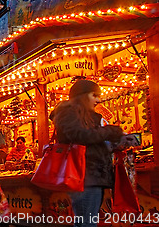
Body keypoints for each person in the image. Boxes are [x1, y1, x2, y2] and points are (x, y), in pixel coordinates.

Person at [52, 79, 124, 227]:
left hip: (91, 176)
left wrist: (114, 144)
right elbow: (81, 136)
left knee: (87, 221)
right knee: (86, 223)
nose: (98, 99)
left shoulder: (85, 116)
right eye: (94, 95)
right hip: (84, 176)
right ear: (82, 95)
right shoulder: (69, 113)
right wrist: (110, 131)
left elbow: (91, 140)